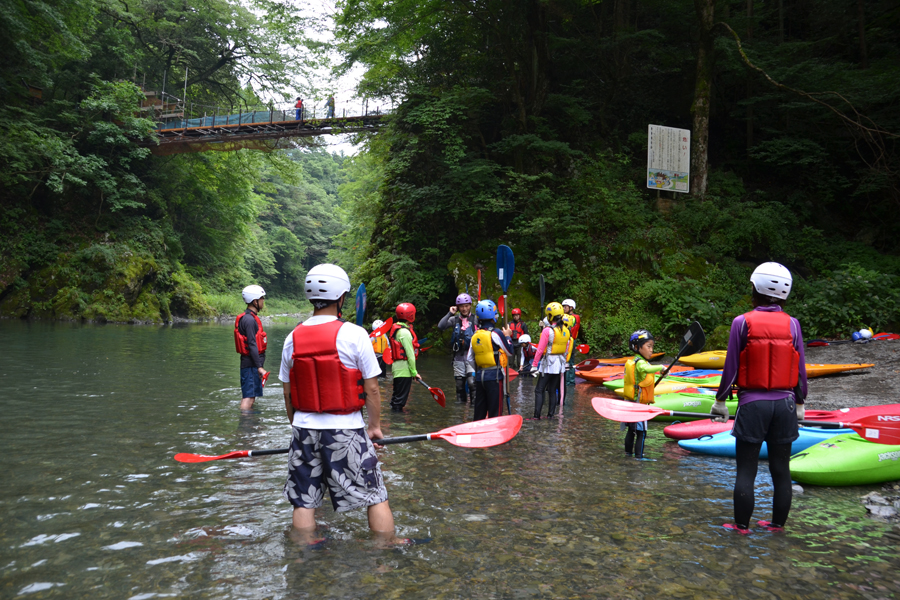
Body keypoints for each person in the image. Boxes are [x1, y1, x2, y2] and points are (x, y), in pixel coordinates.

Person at [278, 264, 397, 544]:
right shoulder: (355, 334)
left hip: (304, 429)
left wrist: (298, 429)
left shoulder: (290, 339)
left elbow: (288, 394)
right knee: (375, 493)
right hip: (346, 428)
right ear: (342, 297)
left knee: (304, 499)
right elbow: (371, 389)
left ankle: (305, 550)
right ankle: (384, 548)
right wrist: (374, 428)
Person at [711, 262, 807, 535]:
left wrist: (720, 401)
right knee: (781, 469)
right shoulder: (793, 324)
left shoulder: (742, 322)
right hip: (786, 404)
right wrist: (800, 402)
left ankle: (742, 527)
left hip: (752, 405)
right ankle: (777, 526)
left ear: (757, 288)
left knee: (746, 471)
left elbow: (731, 366)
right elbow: (799, 369)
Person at [466, 300, 513, 420]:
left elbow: (470, 359)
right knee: (495, 412)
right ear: (493, 316)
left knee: (479, 411)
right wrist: (507, 336)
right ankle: (495, 434)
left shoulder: (475, 335)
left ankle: (477, 433)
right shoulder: (496, 333)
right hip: (494, 377)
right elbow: (510, 352)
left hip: (480, 377)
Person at [622, 330, 664, 459]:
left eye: (652, 347)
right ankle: (639, 457)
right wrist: (661, 367)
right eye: (648, 346)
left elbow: (646, 374)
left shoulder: (638, 361)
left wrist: (661, 373)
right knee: (642, 432)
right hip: (639, 405)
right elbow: (645, 369)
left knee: (631, 431)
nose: (651, 350)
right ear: (637, 347)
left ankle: (628, 454)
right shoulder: (640, 363)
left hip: (632, 402)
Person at [530, 302, 570, 419]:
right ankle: (550, 415)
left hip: (548, 363)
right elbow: (566, 350)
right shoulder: (566, 331)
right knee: (552, 390)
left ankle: (536, 416)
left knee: (539, 390)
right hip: (559, 364)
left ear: (550, 316)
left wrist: (534, 365)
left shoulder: (547, 331)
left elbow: (540, 349)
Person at [438, 294, 477, 404]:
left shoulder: (475, 320)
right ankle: (460, 411)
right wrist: (450, 312)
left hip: (472, 357)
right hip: (458, 356)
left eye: (466, 306)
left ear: (470, 306)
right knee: (459, 386)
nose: (464, 309)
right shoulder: (454, 319)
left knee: (471, 383)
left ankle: (474, 407)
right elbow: (441, 326)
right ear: (458, 307)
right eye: (461, 306)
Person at [235, 285, 268, 412]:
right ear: (255, 301)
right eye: (262, 298)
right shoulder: (249, 320)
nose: (263, 301)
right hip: (250, 365)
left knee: (251, 397)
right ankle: (245, 425)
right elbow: (252, 343)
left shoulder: (249, 318)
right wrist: (259, 366)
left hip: (251, 364)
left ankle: (249, 425)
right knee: (248, 398)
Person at [388, 303, 422, 411]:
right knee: (399, 402)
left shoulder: (397, 330)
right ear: (411, 315)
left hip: (397, 369)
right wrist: (414, 372)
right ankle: (398, 426)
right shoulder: (405, 332)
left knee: (396, 399)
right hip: (404, 370)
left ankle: (394, 422)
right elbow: (410, 355)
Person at [562, 299, 581, 385]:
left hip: (571, 340)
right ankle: (565, 379)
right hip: (564, 340)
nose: (563, 308)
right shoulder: (563, 316)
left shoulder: (575, 317)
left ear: (571, 307)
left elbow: (572, 330)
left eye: (565, 307)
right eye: (563, 307)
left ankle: (570, 381)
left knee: (569, 360)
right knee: (564, 360)